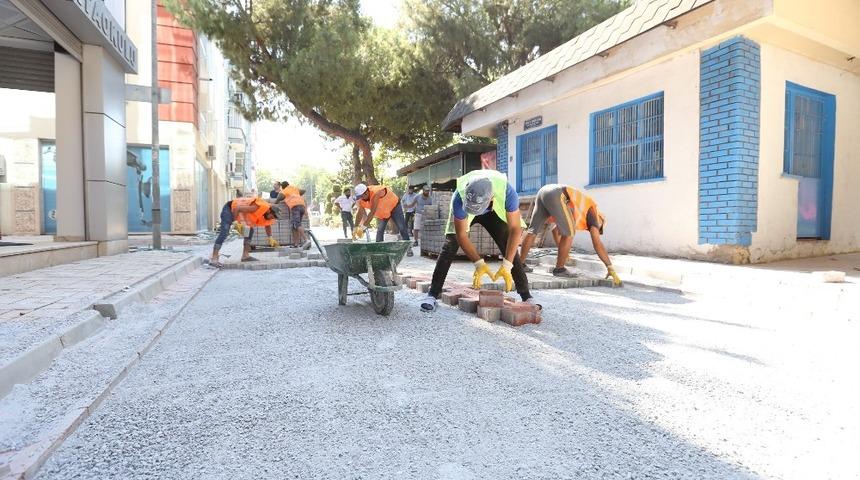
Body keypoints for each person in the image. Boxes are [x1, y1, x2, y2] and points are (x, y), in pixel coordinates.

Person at [419, 170, 534, 312]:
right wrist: (479, 263)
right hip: (468, 207)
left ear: (491, 198)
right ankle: (432, 294)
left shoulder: (508, 193)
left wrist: (507, 265)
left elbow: (515, 230)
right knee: (450, 244)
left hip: (492, 212)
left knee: (508, 244)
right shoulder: (459, 198)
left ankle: (526, 296)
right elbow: (461, 235)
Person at [520, 184, 622, 286]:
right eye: (599, 229)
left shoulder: (578, 210)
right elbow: (597, 244)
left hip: (543, 191)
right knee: (570, 232)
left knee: (532, 231)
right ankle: (560, 269)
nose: (595, 230)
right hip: (557, 194)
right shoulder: (594, 217)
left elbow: (555, 230)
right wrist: (610, 267)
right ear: (601, 221)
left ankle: (520, 265)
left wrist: (565, 253)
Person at [209, 197, 279, 267]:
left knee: (250, 231)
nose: (272, 218)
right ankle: (214, 257)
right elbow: (237, 208)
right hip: (229, 209)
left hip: (239, 213)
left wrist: (270, 237)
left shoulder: (268, 215)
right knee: (225, 231)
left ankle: (245, 256)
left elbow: (267, 225)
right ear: (269, 211)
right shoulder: (257, 207)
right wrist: (235, 222)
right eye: (272, 216)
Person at [352, 183, 413, 256]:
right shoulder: (361, 199)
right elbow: (360, 212)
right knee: (380, 230)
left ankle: (408, 248)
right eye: (359, 197)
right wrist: (355, 227)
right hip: (384, 213)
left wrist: (363, 227)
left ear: (366, 192)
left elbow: (372, 212)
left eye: (361, 196)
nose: (361, 198)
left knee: (402, 227)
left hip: (394, 207)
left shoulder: (376, 192)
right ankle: (379, 250)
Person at [276, 181, 307, 248]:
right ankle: (296, 244)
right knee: (294, 226)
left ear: (282, 187)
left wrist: (276, 202)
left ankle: (306, 240)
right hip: (302, 206)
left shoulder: (284, 190)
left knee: (297, 224)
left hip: (295, 207)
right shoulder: (294, 188)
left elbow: (279, 198)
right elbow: (303, 191)